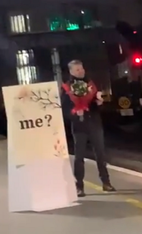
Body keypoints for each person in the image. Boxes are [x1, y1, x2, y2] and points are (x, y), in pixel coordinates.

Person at [60, 59, 115, 197]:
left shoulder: (90, 84)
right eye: (77, 69)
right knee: (79, 157)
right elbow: (65, 109)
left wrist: (99, 102)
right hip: (79, 126)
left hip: (94, 123)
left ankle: (106, 182)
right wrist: (74, 112)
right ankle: (79, 186)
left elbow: (94, 105)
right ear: (71, 71)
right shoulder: (67, 88)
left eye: (82, 68)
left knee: (101, 154)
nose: (81, 71)